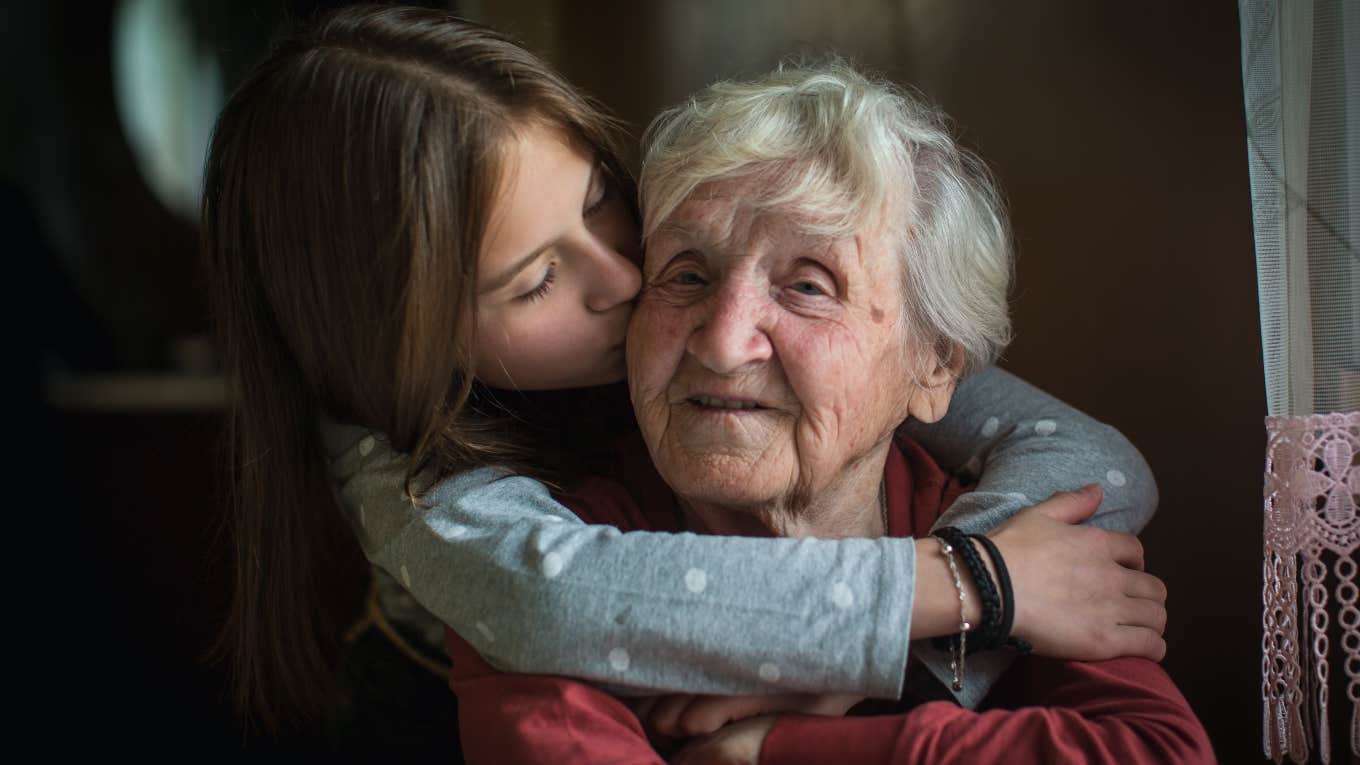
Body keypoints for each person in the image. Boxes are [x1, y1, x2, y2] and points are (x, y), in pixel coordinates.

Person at [203, 4, 1165, 749]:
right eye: (538, 278)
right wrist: (968, 587)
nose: (629, 278)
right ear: (409, 349)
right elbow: (555, 602)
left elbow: (1100, 467)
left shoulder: (908, 411)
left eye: (602, 203)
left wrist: (925, 652)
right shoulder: (432, 496)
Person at [443, 60, 1211, 764]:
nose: (722, 341)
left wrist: (773, 748)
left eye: (807, 285)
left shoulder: (1014, 530)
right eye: (685, 274)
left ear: (935, 365)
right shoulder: (555, 571)